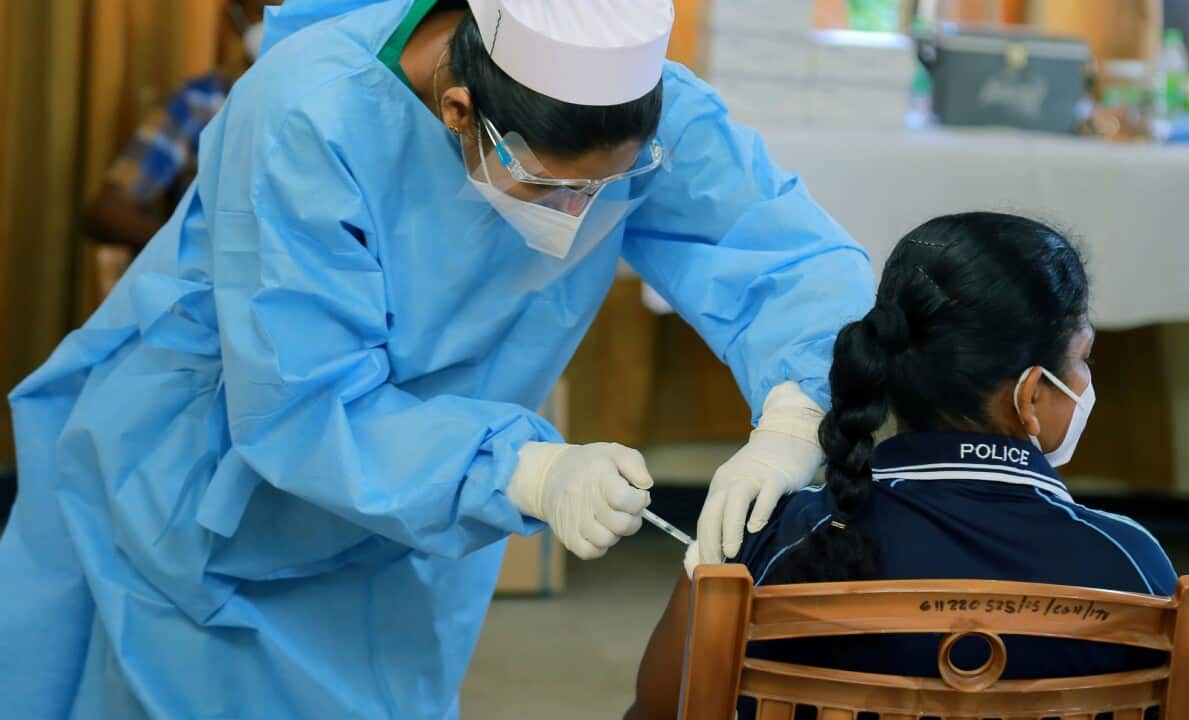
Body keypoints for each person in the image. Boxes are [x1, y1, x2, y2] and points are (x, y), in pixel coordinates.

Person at [0, 0, 874, 717]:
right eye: (550, 186)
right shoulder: (308, 116)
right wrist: (525, 473)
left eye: (601, 189)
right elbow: (303, 407)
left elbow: (784, 260)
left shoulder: (649, 116)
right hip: (213, 493)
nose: (575, 217)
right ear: (459, 109)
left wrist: (799, 411)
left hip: (418, 513)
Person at [627, 212, 1177, 720]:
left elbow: (656, 712)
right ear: (1030, 395)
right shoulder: (1134, 568)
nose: (1085, 379)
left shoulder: (771, 540)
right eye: (1082, 357)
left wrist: (705, 568)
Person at [84, 0, 274, 258]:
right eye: (265, 11)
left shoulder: (333, 103)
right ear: (234, 18)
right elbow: (108, 211)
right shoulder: (199, 103)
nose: (278, 22)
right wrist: (191, 249)